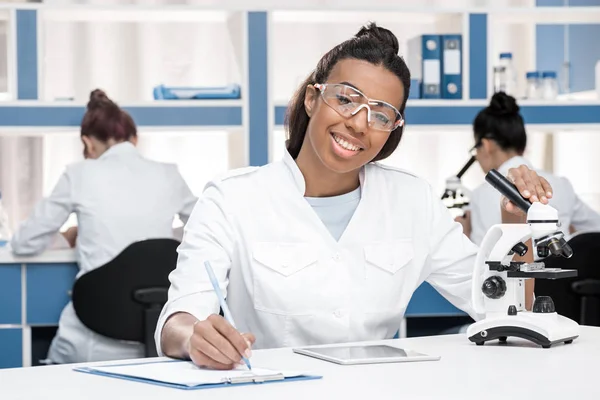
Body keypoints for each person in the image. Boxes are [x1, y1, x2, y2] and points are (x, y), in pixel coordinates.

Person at [155, 23, 553, 370]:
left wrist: (516, 224)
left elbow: (499, 307)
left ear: (392, 130)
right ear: (312, 99)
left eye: (381, 114)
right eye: (345, 98)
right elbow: (179, 318)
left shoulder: (412, 199)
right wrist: (195, 338)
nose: (360, 123)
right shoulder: (231, 198)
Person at [10, 89, 198, 364]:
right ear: (134, 139)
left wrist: (70, 235)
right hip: (155, 341)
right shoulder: (168, 174)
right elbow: (205, 230)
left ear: (88, 142)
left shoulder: (78, 174)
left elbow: (24, 243)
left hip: (89, 344)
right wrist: (162, 237)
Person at [456, 91, 600, 246]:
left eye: (476, 150)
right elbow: (595, 228)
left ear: (486, 145)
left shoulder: (480, 195)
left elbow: (482, 261)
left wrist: (463, 234)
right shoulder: (562, 185)